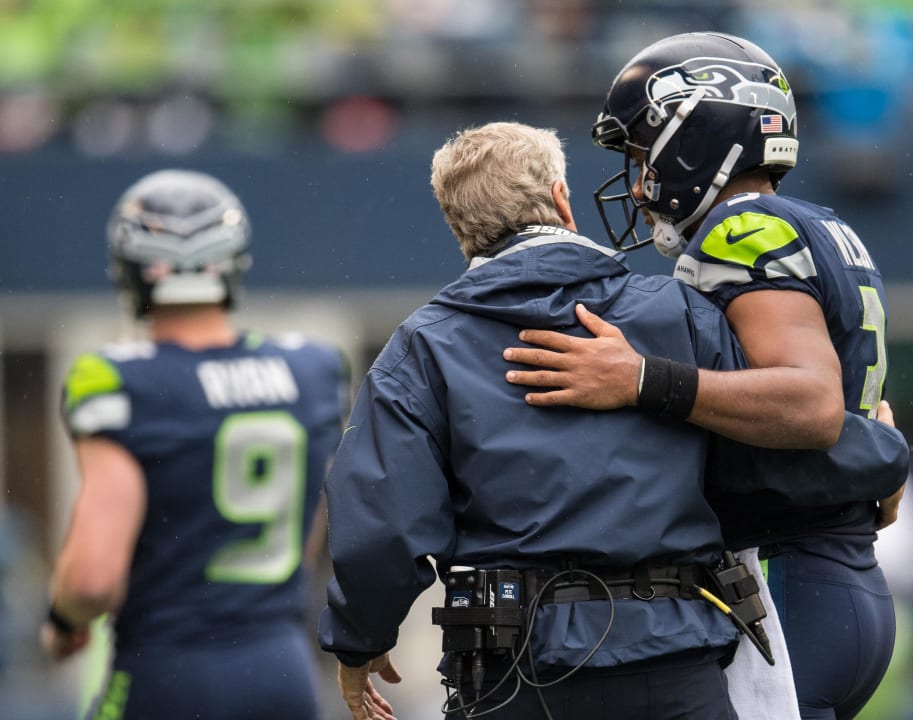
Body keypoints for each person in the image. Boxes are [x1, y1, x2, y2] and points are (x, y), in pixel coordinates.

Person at [502, 32, 908, 720]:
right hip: (836, 575)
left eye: (640, 153)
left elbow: (811, 403)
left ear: (695, 134)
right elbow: (856, 406)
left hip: (785, 584)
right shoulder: (819, 224)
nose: (635, 183)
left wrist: (639, 379)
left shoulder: (741, 227)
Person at [317, 121, 753, 720]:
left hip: (515, 675)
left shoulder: (424, 345)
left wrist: (358, 639)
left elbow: (381, 528)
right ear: (560, 199)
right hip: (677, 662)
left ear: (458, 228)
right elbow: (758, 456)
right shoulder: (681, 310)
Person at [42, 170, 348, 719]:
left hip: (169, 667)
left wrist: (63, 624)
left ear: (131, 270)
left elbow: (92, 577)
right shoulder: (310, 370)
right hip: (283, 669)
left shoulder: (121, 380)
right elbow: (311, 528)